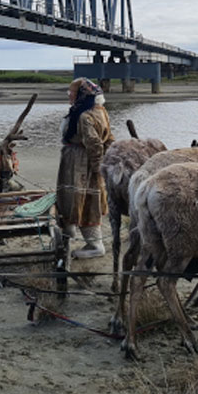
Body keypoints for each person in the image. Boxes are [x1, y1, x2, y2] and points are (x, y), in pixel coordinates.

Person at [57, 77, 114, 258]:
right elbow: (109, 139)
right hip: (84, 162)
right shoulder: (101, 110)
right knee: (88, 199)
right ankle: (71, 231)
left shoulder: (85, 116)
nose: (69, 96)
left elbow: (95, 144)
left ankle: (94, 245)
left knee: (79, 198)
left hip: (80, 165)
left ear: (82, 95)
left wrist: (97, 168)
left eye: (71, 92)